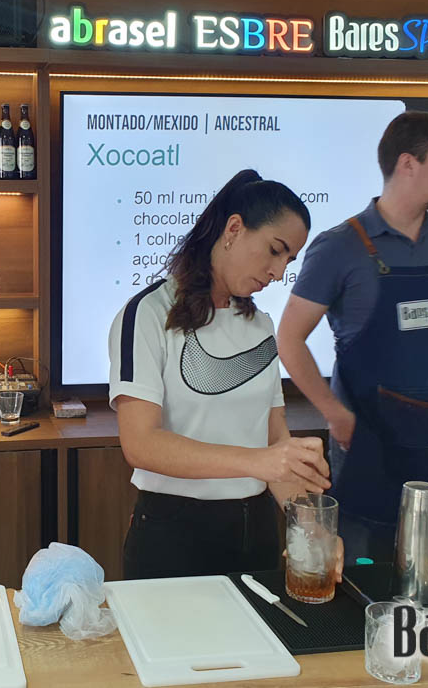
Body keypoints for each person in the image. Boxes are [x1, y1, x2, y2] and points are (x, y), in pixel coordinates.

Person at [109, 170, 342, 580]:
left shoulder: (260, 326)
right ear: (233, 229)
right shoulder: (147, 313)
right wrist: (259, 461)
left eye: (288, 260)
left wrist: (309, 525)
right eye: (275, 250)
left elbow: (274, 439)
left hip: (257, 533)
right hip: (172, 536)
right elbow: (141, 443)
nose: (278, 272)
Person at [277, 111, 428, 565]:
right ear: (408, 163)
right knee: (365, 572)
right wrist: (334, 414)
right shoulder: (340, 247)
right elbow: (289, 339)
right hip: (372, 443)